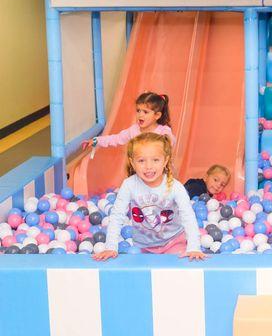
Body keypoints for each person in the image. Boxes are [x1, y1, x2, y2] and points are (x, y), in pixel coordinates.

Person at [93, 133, 205, 261]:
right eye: (141, 160)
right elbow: (117, 215)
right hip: (143, 246)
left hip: (172, 242)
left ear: (165, 160)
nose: (148, 166)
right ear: (132, 162)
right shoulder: (129, 185)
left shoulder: (175, 187)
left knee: (176, 265)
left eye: (155, 160)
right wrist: (111, 247)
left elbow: (188, 216)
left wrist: (194, 247)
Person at [82, 92, 175, 150]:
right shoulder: (134, 130)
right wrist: (96, 140)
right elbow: (116, 139)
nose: (140, 115)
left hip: (158, 173)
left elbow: (171, 141)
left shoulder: (163, 131)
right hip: (139, 172)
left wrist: (167, 139)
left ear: (157, 115)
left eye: (145, 112)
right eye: (138, 111)